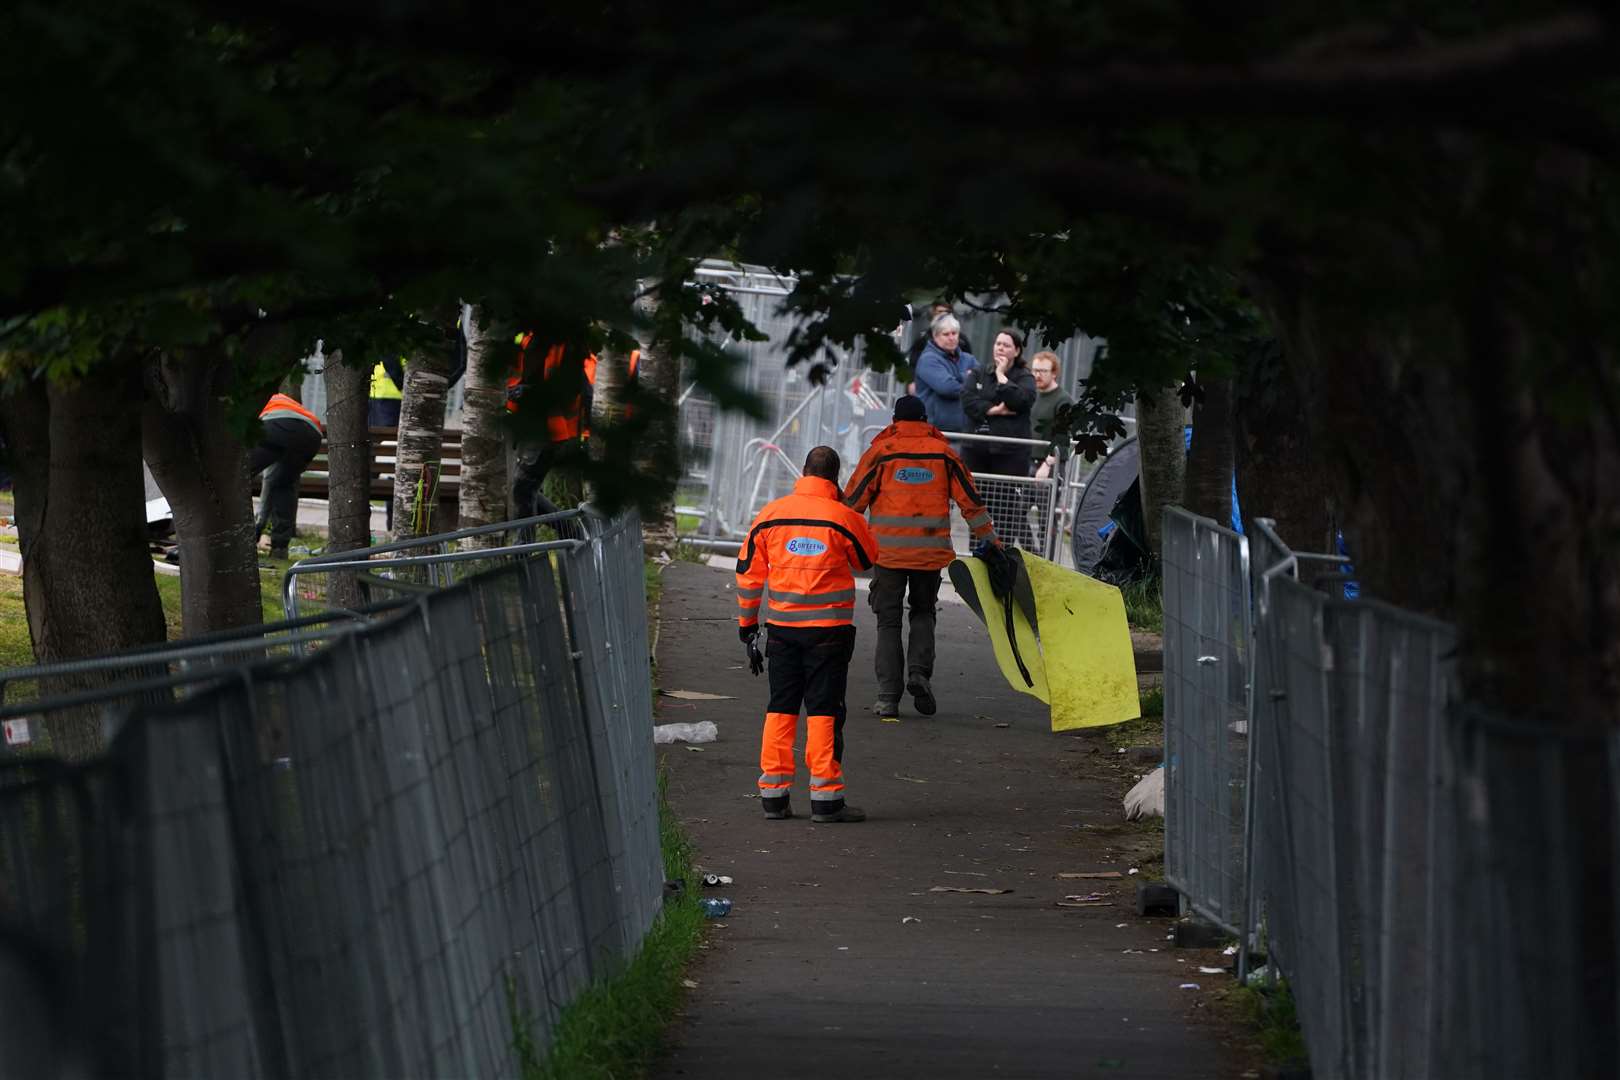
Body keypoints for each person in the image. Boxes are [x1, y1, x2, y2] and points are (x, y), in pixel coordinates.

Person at [736, 446, 877, 823]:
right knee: (823, 711)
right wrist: (844, 506)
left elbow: (749, 575)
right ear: (835, 478)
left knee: (780, 708)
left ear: (802, 471)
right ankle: (826, 799)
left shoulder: (770, 515)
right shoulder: (843, 517)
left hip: (781, 630)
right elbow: (866, 559)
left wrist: (747, 626)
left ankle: (774, 796)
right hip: (828, 632)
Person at [843, 396, 999, 721]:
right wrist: (992, 542)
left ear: (894, 420)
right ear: (926, 419)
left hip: (887, 554)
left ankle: (887, 698)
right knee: (923, 612)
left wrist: (838, 544)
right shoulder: (943, 454)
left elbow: (853, 503)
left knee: (888, 622)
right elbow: (971, 502)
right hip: (929, 553)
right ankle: (919, 673)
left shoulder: (881, 453)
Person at [506, 333, 638, 522]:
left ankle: (528, 547)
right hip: (540, 424)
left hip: (555, 426)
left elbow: (576, 389)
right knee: (524, 488)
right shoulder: (529, 335)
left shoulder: (566, 341)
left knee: (524, 487)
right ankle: (550, 538)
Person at [960, 329, 1038, 548]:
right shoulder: (978, 373)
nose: (1000, 348)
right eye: (998, 344)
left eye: (1006, 345)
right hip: (978, 451)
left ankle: (1001, 553)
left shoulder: (1025, 377)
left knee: (1006, 508)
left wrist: (1002, 378)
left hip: (1009, 455)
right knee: (977, 505)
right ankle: (976, 551)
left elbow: (1022, 401)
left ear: (1017, 350)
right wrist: (993, 410)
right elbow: (967, 400)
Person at [251, 391, 324, 559]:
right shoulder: (276, 396)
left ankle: (243, 538)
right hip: (311, 432)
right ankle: (279, 548)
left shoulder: (245, 398)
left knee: (236, 478)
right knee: (283, 484)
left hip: (275, 424)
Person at [1029, 350, 1073, 548]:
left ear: (1054, 373)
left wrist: (1048, 463)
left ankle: (1047, 557)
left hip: (1049, 465)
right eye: (1035, 370)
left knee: (1046, 518)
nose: (1038, 375)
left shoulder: (1063, 400)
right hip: (1028, 461)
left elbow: (1062, 437)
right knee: (1014, 512)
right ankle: (1031, 552)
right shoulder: (1032, 396)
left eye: (1043, 371)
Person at [913, 314, 977, 432]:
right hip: (933, 432)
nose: (951, 337)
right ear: (935, 336)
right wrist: (966, 377)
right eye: (946, 334)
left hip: (965, 432)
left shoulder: (969, 359)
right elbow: (947, 388)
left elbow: (983, 384)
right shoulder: (928, 360)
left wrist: (958, 379)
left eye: (954, 333)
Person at [904, 301, 974, 368]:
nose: (944, 315)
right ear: (933, 314)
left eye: (948, 312)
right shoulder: (924, 340)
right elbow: (914, 364)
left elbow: (969, 364)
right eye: (940, 312)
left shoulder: (961, 340)